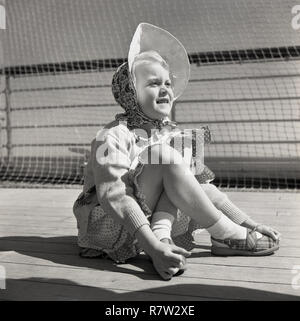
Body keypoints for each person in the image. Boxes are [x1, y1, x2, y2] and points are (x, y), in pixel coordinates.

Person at [73, 23, 281, 280]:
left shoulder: (170, 133)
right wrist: (151, 247)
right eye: (153, 83)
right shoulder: (112, 135)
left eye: (168, 83)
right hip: (112, 224)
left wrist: (248, 223)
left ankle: (182, 237)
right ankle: (215, 236)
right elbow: (114, 197)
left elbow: (203, 191)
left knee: (187, 173)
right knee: (164, 155)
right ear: (130, 92)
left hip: (149, 224)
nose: (165, 89)